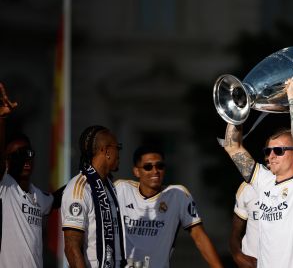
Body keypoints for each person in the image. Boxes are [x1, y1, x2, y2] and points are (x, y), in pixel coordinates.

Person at [223, 76, 293, 268]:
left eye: (279, 151)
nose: (271, 156)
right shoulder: (264, 180)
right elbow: (232, 146)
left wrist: (292, 98)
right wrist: (240, 106)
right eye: (268, 151)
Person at [114, 145, 223, 268]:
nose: (155, 171)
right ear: (136, 171)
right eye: (148, 167)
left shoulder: (178, 195)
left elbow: (199, 236)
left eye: (160, 166)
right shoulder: (121, 189)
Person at [0, 83, 59, 267]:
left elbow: (55, 199)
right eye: (17, 155)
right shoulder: (5, 186)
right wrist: (1, 119)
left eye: (29, 153)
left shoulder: (37, 196)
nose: (25, 158)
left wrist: (86, 174)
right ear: (7, 161)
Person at [61, 125, 126, 268]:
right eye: (118, 147)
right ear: (107, 151)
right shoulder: (80, 188)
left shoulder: (109, 186)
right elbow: (72, 248)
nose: (119, 153)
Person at [229, 181, 293, 268]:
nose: (270, 158)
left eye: (279, 157)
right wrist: (238, 256)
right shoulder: (248, 186)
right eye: (268, 158)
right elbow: (235, 232)